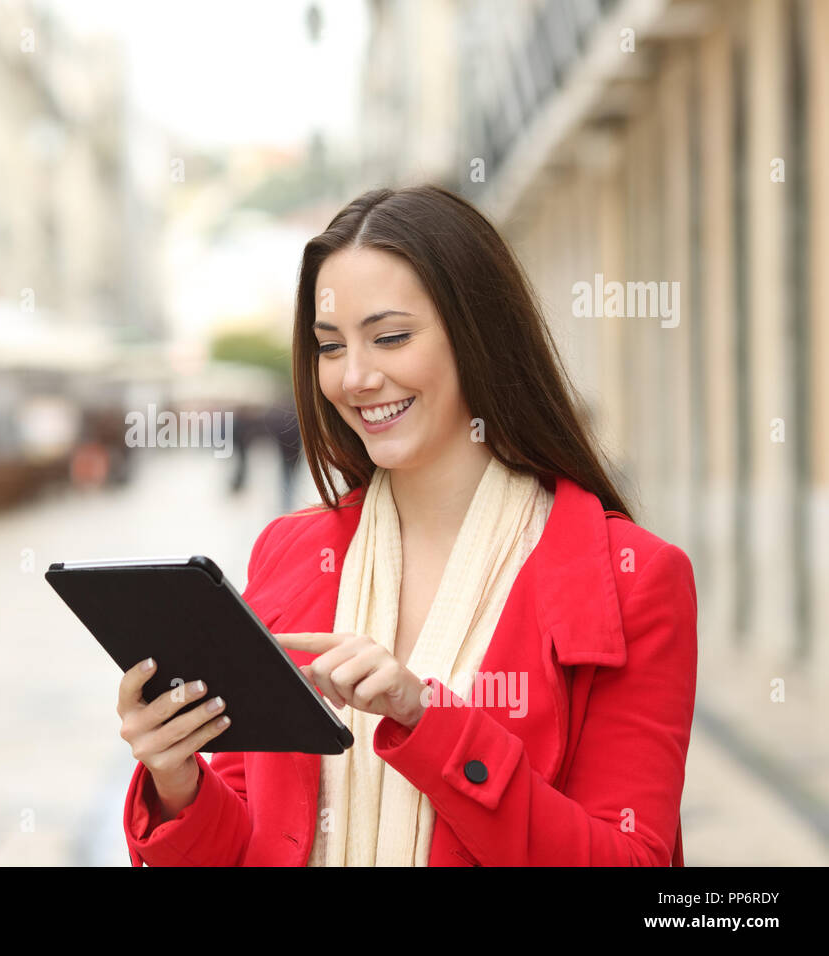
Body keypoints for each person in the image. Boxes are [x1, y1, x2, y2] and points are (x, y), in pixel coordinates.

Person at [115, 184, 697, 866]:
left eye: (389, 337)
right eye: (330, 347)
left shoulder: (636, 580)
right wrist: (178, 782)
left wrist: (425, 717)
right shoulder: (291, 552)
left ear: (479, 335)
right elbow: (253, 845)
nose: (355, 377)